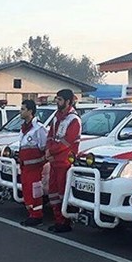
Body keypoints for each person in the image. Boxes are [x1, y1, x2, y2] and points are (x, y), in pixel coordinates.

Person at [46, 89, 81, 233]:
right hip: (54, 161)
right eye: (57, 99)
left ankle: (66, 222)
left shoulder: (74, 120)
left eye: (59, 99)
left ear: (68, 101)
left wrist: (51, 151)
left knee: (62, 192)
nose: (57, 102)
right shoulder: (56, 117)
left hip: (64, 161)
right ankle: (58, 220)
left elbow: (66, 142)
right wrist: (48, 149)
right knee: (53, 192)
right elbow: (50, 135)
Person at [17, 100, 49, 226]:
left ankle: (37, 215)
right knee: (27, 191)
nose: (20, 111)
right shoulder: (24, 128)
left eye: (23, 109)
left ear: (30, 111)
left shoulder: (39, 128)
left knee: (35, 192)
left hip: (35, 167)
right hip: (25, 167)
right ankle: (31, 214)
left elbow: (44, 147)